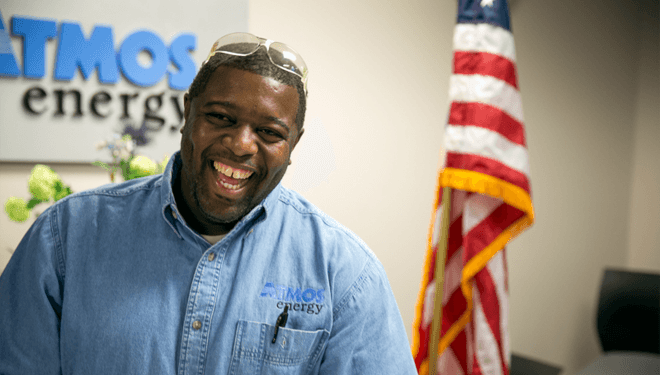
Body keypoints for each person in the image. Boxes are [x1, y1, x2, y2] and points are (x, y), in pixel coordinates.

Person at [0, 32, 417, 374]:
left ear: (293, 145)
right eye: (221, 117)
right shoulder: (66, 238)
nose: (240, 145)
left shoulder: (344, 273)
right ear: (188, 113)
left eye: (270, 132)